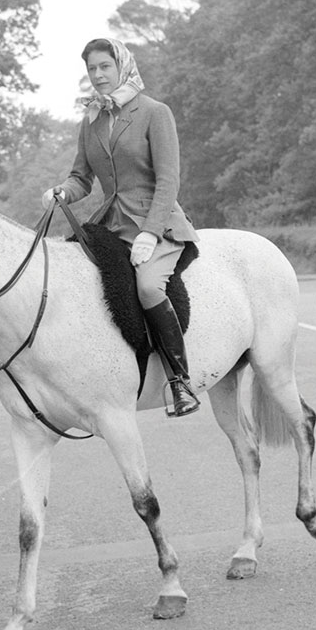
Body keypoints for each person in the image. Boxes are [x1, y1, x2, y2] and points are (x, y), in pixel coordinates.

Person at [42, 37, 201, 417]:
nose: (97, 76)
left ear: (122, 66)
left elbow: (168, 180)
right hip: (112, 224)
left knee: (147, 287)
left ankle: (181, 382)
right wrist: (62, 190)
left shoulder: (154, 112)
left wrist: (150, 231)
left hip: (158, 226)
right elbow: (82, 177)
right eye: (91, 69)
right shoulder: (92, 120)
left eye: (104, 67)